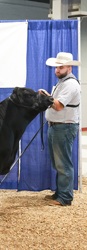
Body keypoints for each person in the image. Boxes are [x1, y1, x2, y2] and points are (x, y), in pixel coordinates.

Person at [38, 52, 81, 206]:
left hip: (64, 128)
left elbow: (58, 106)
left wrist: (47, 97)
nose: (57, 70)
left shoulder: (70, 84)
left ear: (69, 68)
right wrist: (48, 96)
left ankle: (65, 198)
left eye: (60, 67)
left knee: (63, 163)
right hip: (57, 127)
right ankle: (59, 193)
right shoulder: (63, 83)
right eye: (56, 67)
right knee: (59, 163)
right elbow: (56, 103)